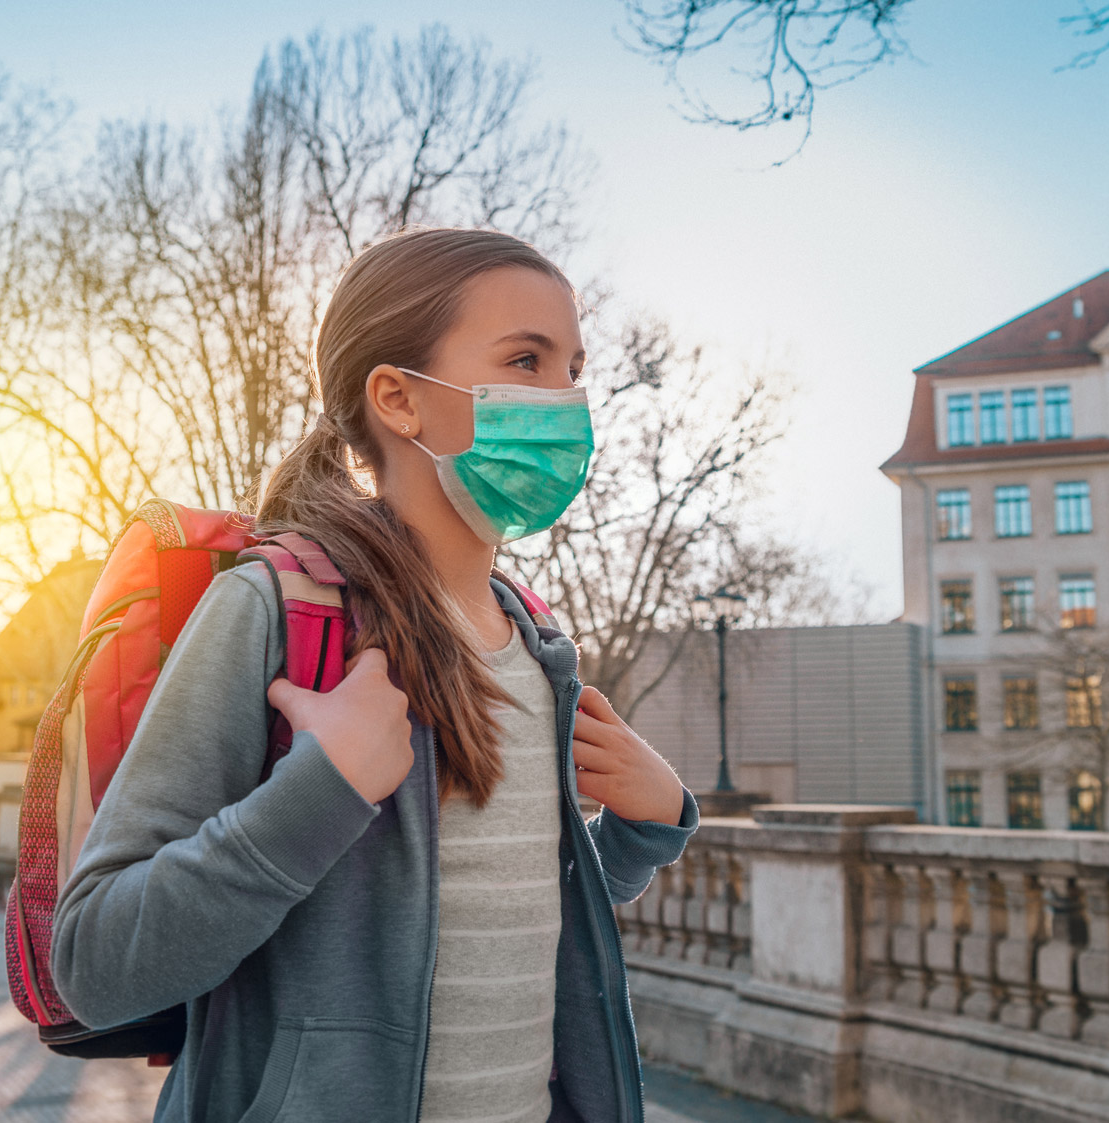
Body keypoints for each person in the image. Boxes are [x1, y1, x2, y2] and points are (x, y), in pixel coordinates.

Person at [49, 226, 700, 1123]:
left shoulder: (535, 642)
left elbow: (483, 915)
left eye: (573, 368)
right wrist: (322, 792)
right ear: (398, 397)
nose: (568, 401)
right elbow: (94, 964)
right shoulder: (273, 612)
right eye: (526, 359)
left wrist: (642, 830)